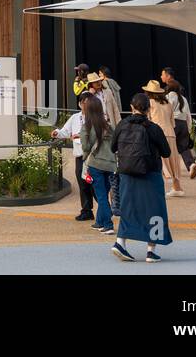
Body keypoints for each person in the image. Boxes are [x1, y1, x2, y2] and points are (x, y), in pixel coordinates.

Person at [111, 93, 174, 262]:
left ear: (132, 107)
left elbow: (112, 147)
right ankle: (151, 251)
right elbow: (166, 152)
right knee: (155, 210)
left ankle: (120, 243)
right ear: (148, 109)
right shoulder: (153, 128)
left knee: (128, 208)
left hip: (127, 174)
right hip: (150, 174)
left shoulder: (122, 125)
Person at [80, 92, 117, 234]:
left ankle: (108, 225)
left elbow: (86, 147)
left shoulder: (87, 127)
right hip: (110, 164)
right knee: (104, 194)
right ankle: (100, 222)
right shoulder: (108, 126)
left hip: (96, 164)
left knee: (101, 196)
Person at [53, 94, 93, 221]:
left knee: (95, 184)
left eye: (89, 102)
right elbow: (65, 131)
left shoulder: (96, 118)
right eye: (84, 102)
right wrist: (57, 133)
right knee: (83, 184)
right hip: (80, 155)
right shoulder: (75, 118)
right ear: (80, 104)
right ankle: (86, 210)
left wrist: (80, 137)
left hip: (93, 156)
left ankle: (105, 209)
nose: (86, 105)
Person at [143, 79, 185, 196]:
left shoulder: (150, 103)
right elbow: (173, 122)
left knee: (158, 160)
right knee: (173, 160)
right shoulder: (168, 103)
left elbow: (148, 119)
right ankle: (177, 187)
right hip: (170, 133)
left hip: (157, 133)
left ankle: (158, 188)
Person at [161, 68, 196, 178]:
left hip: (173, 124)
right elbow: (188, 115)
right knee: (184, 147)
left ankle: (168, 170)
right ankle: (191, 165)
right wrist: (188, 128)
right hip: (183, 124)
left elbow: (167, 112)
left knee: (167, 146)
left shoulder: (168, 97)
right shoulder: (183, 98)